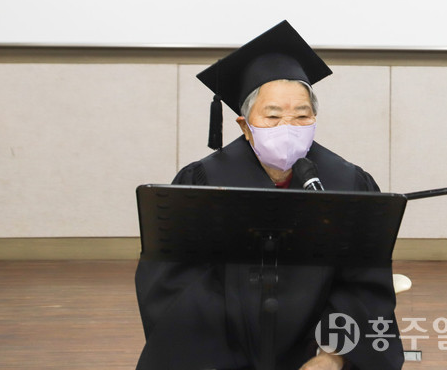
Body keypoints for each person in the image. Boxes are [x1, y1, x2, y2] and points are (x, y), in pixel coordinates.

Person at [135, 21, 405, 370]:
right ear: (245, 126)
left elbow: (363, 286)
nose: (288, 127)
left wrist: (333, 355)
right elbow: (175, 288)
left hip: (314, 354)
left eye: (302, 115)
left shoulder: (347, 183)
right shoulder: (202, 183)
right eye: (273, 115)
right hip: (219, 357)